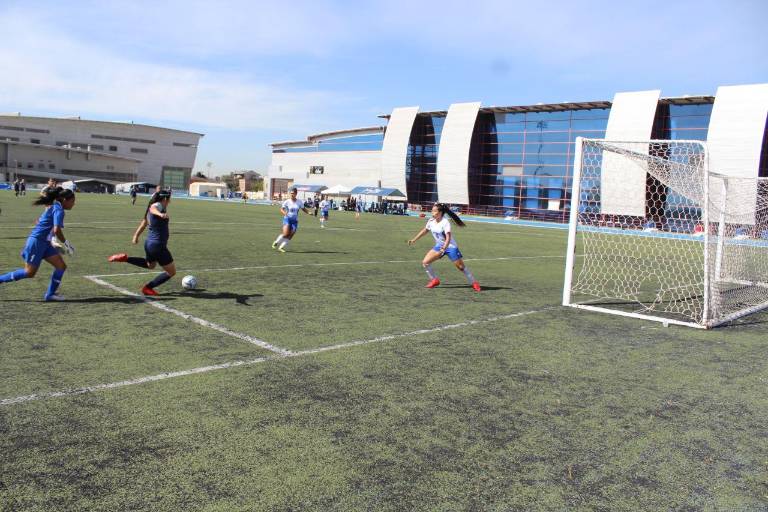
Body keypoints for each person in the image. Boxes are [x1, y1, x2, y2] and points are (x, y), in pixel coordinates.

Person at [0, 187, 76, 301]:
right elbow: (56, 230)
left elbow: (40, 222)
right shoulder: (58, 209)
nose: (74, 204)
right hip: (37, 242)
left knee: (61, 266)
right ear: (64, 200)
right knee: (29, 272)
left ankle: (50, 295)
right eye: (73, 201)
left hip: (44, 243)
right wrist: (66, 244)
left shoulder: (55, 206)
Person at [107, 190, 176, 296]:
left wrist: (136, 236)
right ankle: (147, 287)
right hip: (158, 246)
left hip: (149, 244)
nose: (170, 202)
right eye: (169, 199)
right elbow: (153, 208)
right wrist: (160, 214)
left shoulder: (150, 212)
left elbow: (143, 224)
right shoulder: (157, 206)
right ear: (165, 199)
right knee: (171, 272)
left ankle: (125, 259)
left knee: (151, 265)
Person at [407, 203, 481, 292]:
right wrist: (414, 240)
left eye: (434, 211)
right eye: (432, 210)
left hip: (450, 246)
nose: (432, 212)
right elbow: (425, 230)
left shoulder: (445, 222)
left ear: (440, 212)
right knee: (425, 262)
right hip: (439, 246)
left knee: (461, 267)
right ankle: (434, 280)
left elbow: (448, 237)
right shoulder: (431, 221)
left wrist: (444, 248)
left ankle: (474, 283)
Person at [271, 187, 309, 253]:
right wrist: (285, 213)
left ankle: (281, 247)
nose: (291, 194)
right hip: (287, 219)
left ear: (296, 194)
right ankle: (276, 242)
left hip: (295, 221)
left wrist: (309, 212)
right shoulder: (287, 201)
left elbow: (303, 209)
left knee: (290, 235)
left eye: (293, 193)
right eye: (291, 193)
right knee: (285, 234)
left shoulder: (299, 202)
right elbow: (281, 209)